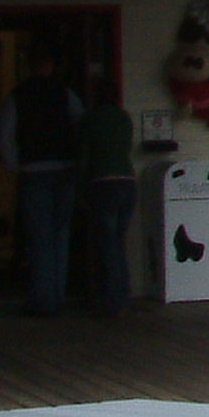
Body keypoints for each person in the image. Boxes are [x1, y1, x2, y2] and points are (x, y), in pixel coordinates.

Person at [0, 45, 85, 315]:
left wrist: (15, 165)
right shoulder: (64, 94)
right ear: (50, 66)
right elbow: (82, 126)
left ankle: (42, 298)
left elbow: (5, 136)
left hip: (34, 170)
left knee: (39, 238)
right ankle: (58, 294)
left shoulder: (18, 96)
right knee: (60, 234)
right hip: (65, 168)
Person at [77, 82, 138, 315]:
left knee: (106, 244)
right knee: (118, 241)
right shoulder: (124, 119)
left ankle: (111, 298)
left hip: (103, 183)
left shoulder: (89, 120)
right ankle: (123, 293)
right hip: (127, 181)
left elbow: (84, 157)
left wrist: (80, 192)